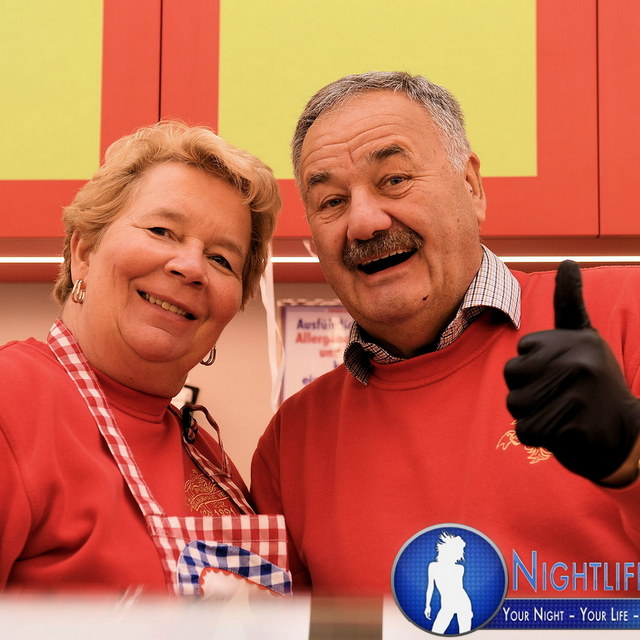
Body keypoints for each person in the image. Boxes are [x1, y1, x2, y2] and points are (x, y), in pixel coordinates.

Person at [251, 71, 640, 599]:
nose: (363, 222)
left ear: (472, 187)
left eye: (394, 179)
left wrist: (630, 461)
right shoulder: (292, 442)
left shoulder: (625, 315)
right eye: (331, 202)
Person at [0, 121, 291, 597]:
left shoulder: (208, 458)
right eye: (162, 231)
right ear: (84, 251)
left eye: (221, 259)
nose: (191, 267)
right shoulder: (11, 401)